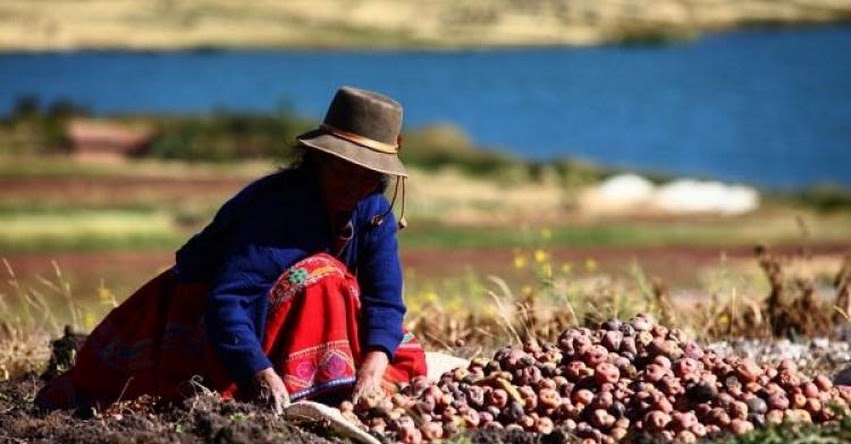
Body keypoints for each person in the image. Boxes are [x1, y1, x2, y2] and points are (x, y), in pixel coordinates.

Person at [35, 86, 428, 413]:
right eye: (343, 171)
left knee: (396, 348)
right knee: (324, 278)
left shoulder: (374, 211)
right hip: (208, 313)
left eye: (367, 177)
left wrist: (372, 368)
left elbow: (383, 299)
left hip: (280, 315)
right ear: (319, 160)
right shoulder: (278, 209)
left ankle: (327, 376)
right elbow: (227, 300)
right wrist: (260, 374)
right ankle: (307, 379)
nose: (353, 186)